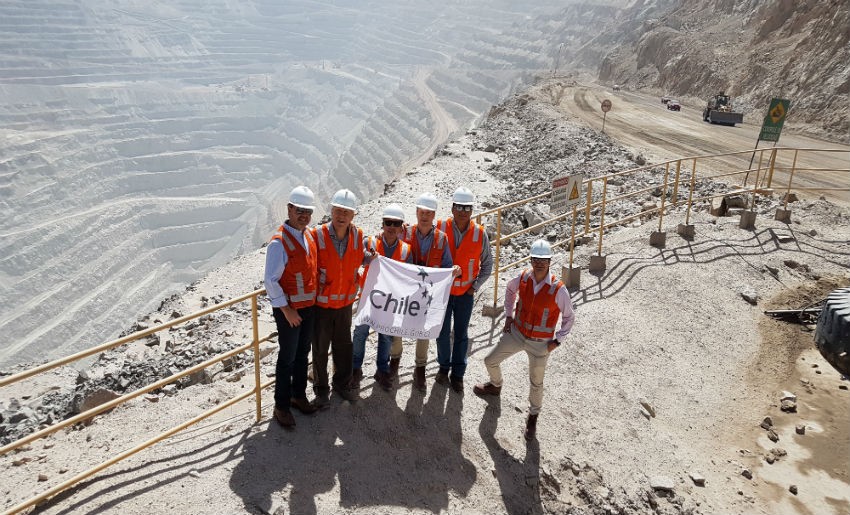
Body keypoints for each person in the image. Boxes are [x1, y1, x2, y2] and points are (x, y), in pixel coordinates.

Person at [473, 239, 575, 441]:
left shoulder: (558, 289)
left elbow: (569, 317)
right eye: (536, 259)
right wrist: (509, 316)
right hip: (517, 333)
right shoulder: (523, 278)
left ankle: (533, 416)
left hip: (540, 343)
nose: (539, 263)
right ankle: (496, 385)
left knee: (536, 383)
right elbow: (510, 291)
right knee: (489, 360)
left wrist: (558, 340)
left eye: (543, 260)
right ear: (531, 259)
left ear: (549, 262)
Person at [263, 185, 320, 429]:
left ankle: (299, 396)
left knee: (301, 354)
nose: (304, 215)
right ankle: (281, 405)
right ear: (289, 209)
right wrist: (287, 310)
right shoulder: (279, 243)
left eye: (307, 211)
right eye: (299, 210)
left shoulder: (307, 235)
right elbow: (270, 281)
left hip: (307, 307)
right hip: (290, 311)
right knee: (287, 358)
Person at [392, 192, 459, 392]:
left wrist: (453, 271)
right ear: (416, 212)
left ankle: (420, 368)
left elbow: (446, 265)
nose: (425, 216)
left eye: (429, 213)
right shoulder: (404, 232)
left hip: (427, 294)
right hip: (404, 292)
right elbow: (388, 244)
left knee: (423, 331)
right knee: (397, 327)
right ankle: (394, 360)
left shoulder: (441, 238)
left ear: (434, 215)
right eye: (422, 212)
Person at [309, 189, 368, 405]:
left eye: (346, 212)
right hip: (322, 305)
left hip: (344, 304)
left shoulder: (359, 236)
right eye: (338, 211)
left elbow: (363, 258)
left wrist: (373, 259)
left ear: (353, 215)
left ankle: (342, 385)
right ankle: (321, 391)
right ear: (331, 211)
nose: (341, 216)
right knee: (320, 349)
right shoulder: (317, 235)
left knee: (344, 347)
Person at [435, 187, 493, 393]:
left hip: (465, 295)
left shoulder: (480, 233)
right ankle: (443, 367)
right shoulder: (440, 227)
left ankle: (457, 374)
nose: (462, 211)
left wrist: (474, 287)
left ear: (472, 210)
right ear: (452, 207)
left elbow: (488, 264)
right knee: (441, 333)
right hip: (443, 293)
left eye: (466, 208)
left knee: (461, 334)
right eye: (459, 207)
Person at [351, 203, 413, 391]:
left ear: (402, 227)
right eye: (388, 223)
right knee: (360, 334)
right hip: (368, 298)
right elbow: (355, 260)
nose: (391, 227)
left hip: (389, 302)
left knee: (386, 337)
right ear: (383, 224)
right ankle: (355, 369)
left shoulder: (406, 250)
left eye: (396, 223)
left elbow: (409, 276)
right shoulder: (370, 243)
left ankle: (382, 370)